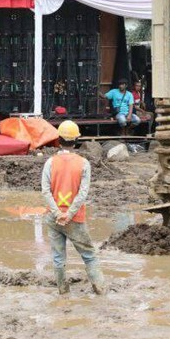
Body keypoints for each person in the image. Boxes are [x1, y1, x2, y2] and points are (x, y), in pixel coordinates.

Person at [42, 120, 105, 295]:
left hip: (54, 218)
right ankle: (100, 290)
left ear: (58, 139)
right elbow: (82, 193)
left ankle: (62, 291)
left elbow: (45, 191)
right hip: (75, 218)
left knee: (58, 258)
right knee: (89, 256)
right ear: (75, 141)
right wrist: (69, 214)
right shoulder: (83, 163)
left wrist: (57, 213)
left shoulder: (50, 162)